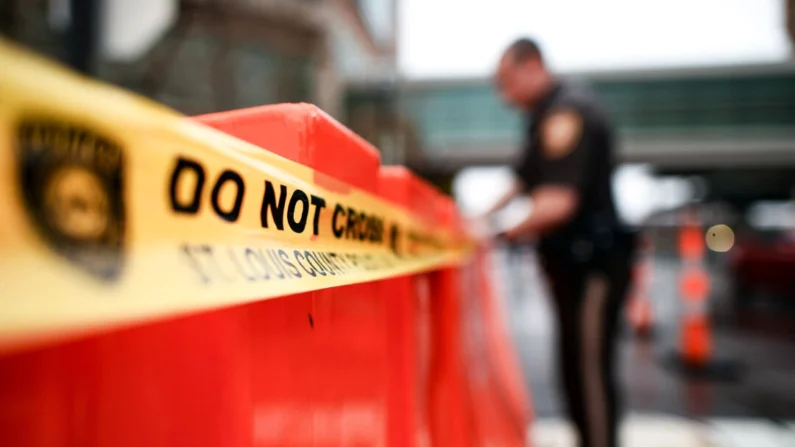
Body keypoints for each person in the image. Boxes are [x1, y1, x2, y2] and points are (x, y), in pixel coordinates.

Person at [481, 37, 636, 447]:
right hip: (572, 264)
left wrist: (495, 232)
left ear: (532, 64)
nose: (504, 95)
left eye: (507, 81)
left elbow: (557, 202)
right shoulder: (544, 118)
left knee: (588, 376)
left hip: (593, 266)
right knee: (572, 371)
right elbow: (520, 182)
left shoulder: (568, 113)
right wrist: (477, 219)